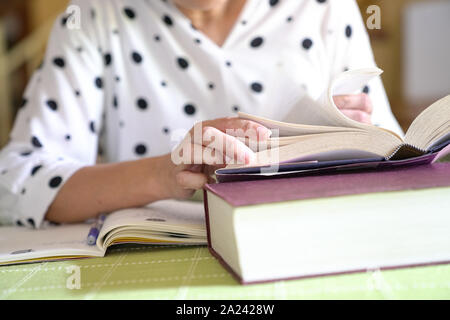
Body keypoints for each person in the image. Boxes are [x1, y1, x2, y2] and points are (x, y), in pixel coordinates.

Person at [0, 0, 403, 228]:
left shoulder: (325, 10)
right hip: (146, 259)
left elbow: (394, 160)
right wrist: (164, 173)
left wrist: (331, 147)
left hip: (300, 241)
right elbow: (16, 184)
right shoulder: (93, 16)